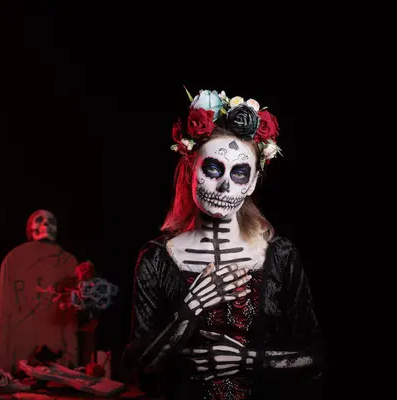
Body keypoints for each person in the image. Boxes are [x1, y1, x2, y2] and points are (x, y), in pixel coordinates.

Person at [122, 89, 323, 399]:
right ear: (191, 168)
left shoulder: (280, 256)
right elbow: (138, 367)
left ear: (254, 181)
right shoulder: (157, 259)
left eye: (239, 173)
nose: (225, 185)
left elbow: (315, 358)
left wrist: (249, 359)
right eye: (213, 168)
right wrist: (191, 308)